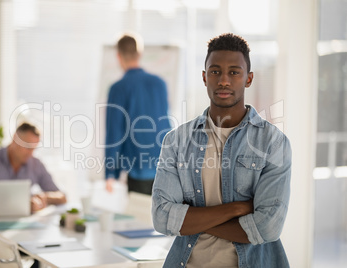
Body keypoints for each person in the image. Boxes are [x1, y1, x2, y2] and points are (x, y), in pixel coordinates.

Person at [152, 33, 292, 267]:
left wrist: (191, 219)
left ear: (248, 79)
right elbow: (162, 218)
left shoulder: (273, 143)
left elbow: (268, 227)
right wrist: (237, 208)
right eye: (215, 71)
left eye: (234, 72)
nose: (224, 80)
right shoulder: (176, 140)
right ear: (205, 77)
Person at [0, 122, 67, 266]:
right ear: (15, 139)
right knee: (9, 251)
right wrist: (24, 204)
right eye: (27, 147)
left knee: (48, 249)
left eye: (33, 148)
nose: (30, 153)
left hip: (23, 232)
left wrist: (44, 197)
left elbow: (62, 196)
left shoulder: (35, 164)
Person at [104, 33, 171, 195]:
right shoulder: (159, 83)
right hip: (166, 166)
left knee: (140, 218)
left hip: (138, 168)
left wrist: (110, 173)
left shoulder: (118, 88)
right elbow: (164, 124)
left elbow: (115, 132)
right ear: (139, 54)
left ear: (118, 56)